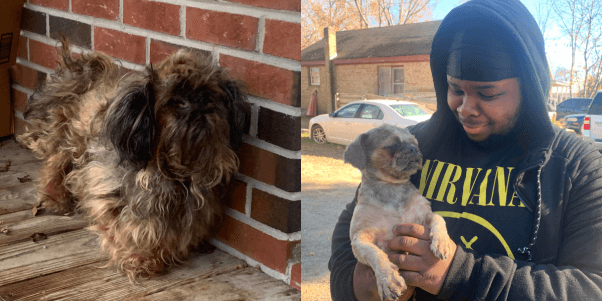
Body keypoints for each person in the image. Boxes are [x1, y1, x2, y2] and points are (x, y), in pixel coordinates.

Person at [328, 0, 602, 300]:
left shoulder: (578, 167)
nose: (466, 108)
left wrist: (458, 275)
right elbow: (348, 239)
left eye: (488, 93)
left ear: (530, 88)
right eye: (456, 89)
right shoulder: (413, 146)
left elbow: (592, 287)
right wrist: (360, 285)